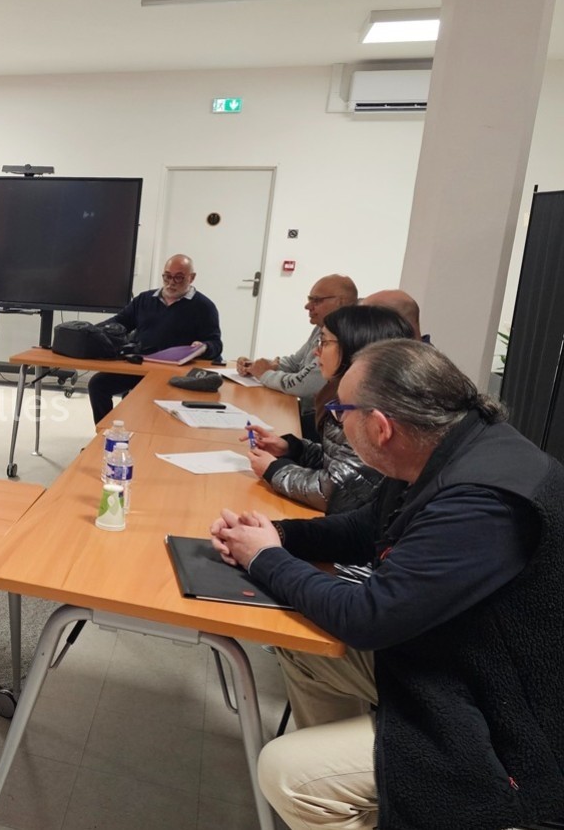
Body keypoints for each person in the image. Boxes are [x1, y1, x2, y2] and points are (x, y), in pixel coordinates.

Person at [209, 339, 564, 830]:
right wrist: (280, 537)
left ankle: (341, 791)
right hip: (454, 655)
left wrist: (266, 557)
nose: (333, 420)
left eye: (339, 410)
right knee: (303, 644)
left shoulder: (484, 503)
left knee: (288, 775)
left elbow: (368, 619)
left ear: (380, 426)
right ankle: (364, 785)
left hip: (509, 718)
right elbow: (363, 529)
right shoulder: (446, 445)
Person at [244, 305, 413, 514]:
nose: (316, 352)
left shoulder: (369, 410)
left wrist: (274, 470)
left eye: (325, 342)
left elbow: (337, 492)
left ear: (355, 347)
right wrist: (291, 448)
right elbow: (340, 462)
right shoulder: (344, 394)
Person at [86, 253, 223, 424]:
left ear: (192, 278)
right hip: (141, 366)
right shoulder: (145, 299)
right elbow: (120, 322)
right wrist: (91, 331)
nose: (171, 282)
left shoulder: (204, 307)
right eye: (167, 276)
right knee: (98, 385)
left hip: (176, 374)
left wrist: (203, 347)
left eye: (179, 278)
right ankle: (104, 435)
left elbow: (215, 344)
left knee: (136, 398)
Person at [237, 274, 357, 438]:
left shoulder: (343, 338)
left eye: (316, 300)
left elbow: (303, 386)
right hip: (310, 417)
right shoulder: (321, 328)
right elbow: (295, 362)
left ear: (341, 302)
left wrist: (264, 374)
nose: (307, 306)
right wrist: (259, 366)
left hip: (319, 424)